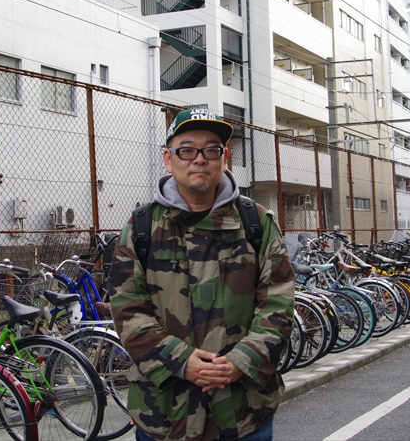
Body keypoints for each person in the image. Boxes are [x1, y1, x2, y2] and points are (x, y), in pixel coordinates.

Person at [108, 107, 295, 441]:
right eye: (187, 149)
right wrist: (180, 361)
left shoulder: (257, 224)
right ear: (169, 159)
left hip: (244, 413)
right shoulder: (140, 228)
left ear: (224, 160)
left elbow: (278, 305)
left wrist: (241, 360)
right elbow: (127, 310)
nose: (199, 159)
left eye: (212, 150)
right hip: (165, 415)